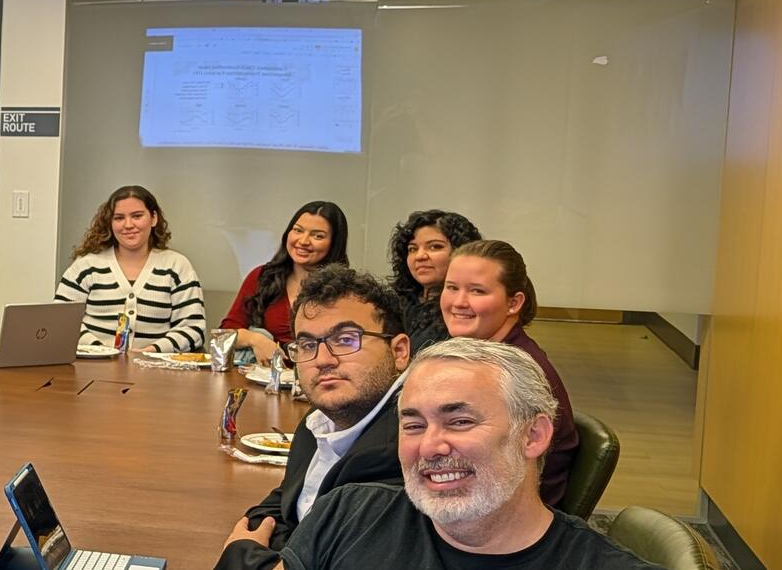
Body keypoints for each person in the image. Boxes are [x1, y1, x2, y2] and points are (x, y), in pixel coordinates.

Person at [241, 339, 661, 570]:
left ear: (533, 435)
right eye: (413, 424)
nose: (430, 446)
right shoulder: (349, 514)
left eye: (460, 421)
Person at [217, 265, 411, 567]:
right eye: (308, 345)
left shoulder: (406, 448)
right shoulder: (320, 421)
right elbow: (286, 504)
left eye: (346, 340)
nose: (322, 360)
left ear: (399, 351)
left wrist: (242, 554)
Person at [441, 240, 578, 507]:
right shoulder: (482, 356)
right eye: (451, 288)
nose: (458, 302)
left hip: (502, 518)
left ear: (514, 303)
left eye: (477, 291)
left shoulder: (516, 374)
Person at [56, 185, 206, 352]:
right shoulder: (86, 265)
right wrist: (100, 351)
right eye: (119, 218)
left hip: (155, 370)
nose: (128, 225)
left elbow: (193, 328)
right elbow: (61, 319)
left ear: (154, 218)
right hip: (92, 367)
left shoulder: (177, 266)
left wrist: (152, 351)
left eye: (137, 216)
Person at [222, 201, 351, 362]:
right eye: (298, 230)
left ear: (334, 243)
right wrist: (256, 340)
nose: (303, 241)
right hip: (264, 381)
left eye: (317, 236)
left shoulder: (346, 289)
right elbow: (224, 335)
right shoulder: (262, 277)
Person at [387, 210, 484, 350]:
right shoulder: (394, 302)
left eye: (435, 247)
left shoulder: (465, 309)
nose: (420, 256)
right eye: (412, 249)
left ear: (462, 251)